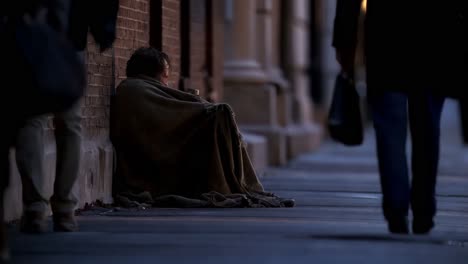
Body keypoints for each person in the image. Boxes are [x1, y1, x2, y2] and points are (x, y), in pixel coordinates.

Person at [333, 1, 467, 234]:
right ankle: (424, 210)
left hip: (387, 42)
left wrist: (344, 39)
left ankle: (396, 209)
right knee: (427, 129)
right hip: (434, 42)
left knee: (389, 131)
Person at [110, 47, 293, 208]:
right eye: (165, 75)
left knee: (219, 115)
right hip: (155, 167)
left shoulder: (133, 88)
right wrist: (201, 106)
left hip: (156, 157)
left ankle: (242, 185)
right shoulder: (137, 90)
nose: (166, 81)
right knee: (222, 113)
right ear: (153, 72)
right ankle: (240, 184)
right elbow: (175, 114)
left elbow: (172, 110)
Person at [15, 0, 119, 233]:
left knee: (31, 121)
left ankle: (35, 209)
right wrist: (104, 29)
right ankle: (63, 209)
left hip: (30, 34)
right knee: (69, 122)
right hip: (66, 39)